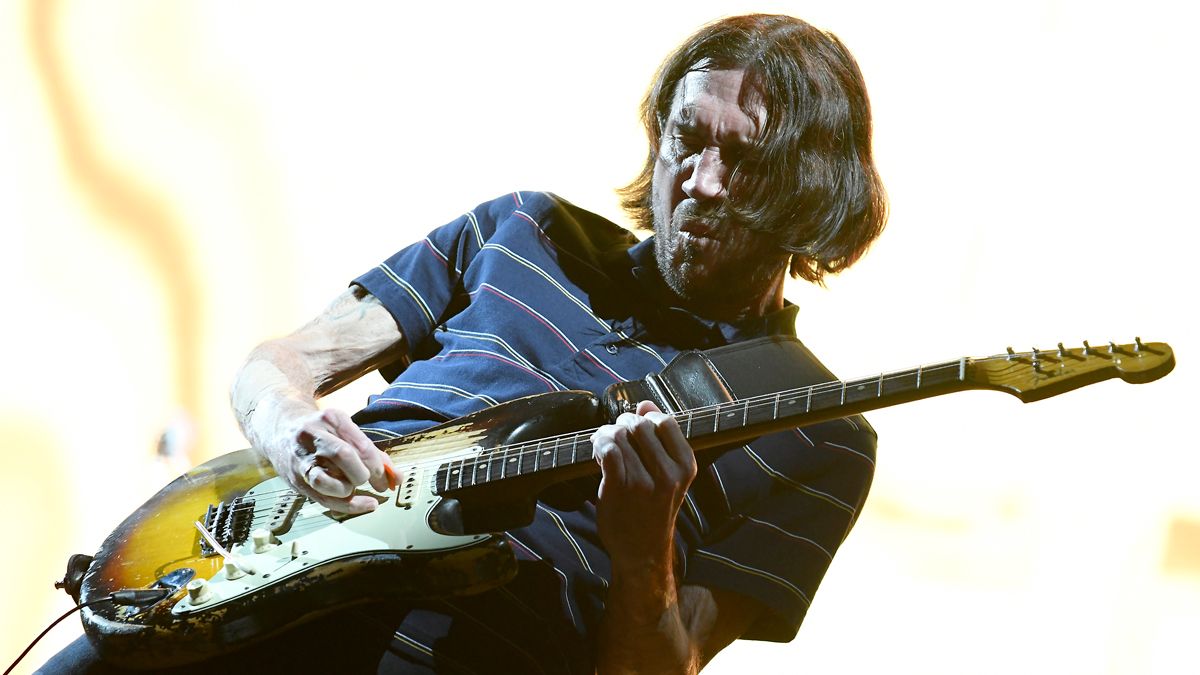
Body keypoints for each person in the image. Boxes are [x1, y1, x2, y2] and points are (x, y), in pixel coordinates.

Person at [41, 12, 886, 674]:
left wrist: (644, 551)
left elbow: (648, 669)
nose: (700, 182)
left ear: (812, 190)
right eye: (687, 137)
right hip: (253, 574)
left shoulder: (821, 435)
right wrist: (288, 426)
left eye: (743, 160)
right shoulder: (522, 229)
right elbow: (279, 365)